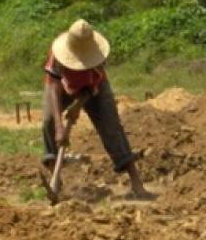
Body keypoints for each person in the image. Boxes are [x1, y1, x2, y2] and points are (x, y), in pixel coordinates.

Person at [42, 19, 153, 199]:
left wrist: (77, 107)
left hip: (93, 89)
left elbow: (90, 90)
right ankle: (54, 177)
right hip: (62, 87)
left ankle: (136, 182)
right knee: (48, 121)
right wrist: (59, 127)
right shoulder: (56, 55)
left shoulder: (97, 57)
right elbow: (53, 85)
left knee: (112, 128)